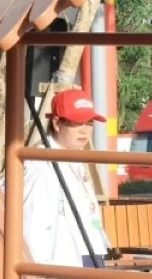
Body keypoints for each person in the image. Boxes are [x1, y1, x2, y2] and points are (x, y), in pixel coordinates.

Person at [22, 89, 111, 268]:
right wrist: (40, 270)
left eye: (89, 122)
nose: (84, 130)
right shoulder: (41, 165)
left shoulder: (74, 160)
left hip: (89, 251)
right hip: (64, 259)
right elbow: (31, 224)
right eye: (76, 123)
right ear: (57, 123)